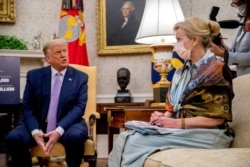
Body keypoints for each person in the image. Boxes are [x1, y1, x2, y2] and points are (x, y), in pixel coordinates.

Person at [108, 17, 235, 167]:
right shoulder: (181, 71)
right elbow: (174, 107)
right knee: (125, 137)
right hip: (182, 130)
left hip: (209, 134)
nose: (176, 45)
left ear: (194, 40)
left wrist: (175, 122)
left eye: (179, 39)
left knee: (134, 142)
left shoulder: (216, 69)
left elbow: (217, 119)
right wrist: (163, 117)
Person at [5, 38, 88, 167]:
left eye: (65, 51)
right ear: (48, 59)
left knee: (76, 137)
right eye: (58, 52)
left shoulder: (80, 77)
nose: (63, 55)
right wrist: (34, 131)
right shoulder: (34, 76)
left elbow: (79, 107)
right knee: (14, 138)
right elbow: (28, 106)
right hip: (38, 123)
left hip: (68, 125)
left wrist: (59, 130)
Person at [210, 0, 250, 77]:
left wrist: (224, 55)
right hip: (242, 78)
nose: (238, 7)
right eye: (235, 4)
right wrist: (224, 48)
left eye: (240, 3)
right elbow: (237, 52)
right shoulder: (242, 20)